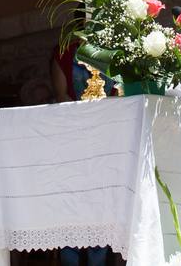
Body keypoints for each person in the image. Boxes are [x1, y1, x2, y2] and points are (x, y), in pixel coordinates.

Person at [49, 40, 112, 266]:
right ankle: (70, 258)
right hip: (72, 137)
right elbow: (61, 95)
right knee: (71, 205)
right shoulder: (65, 50)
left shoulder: (118, 46)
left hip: (107, 140)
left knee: (101, 207)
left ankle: (98, 258)